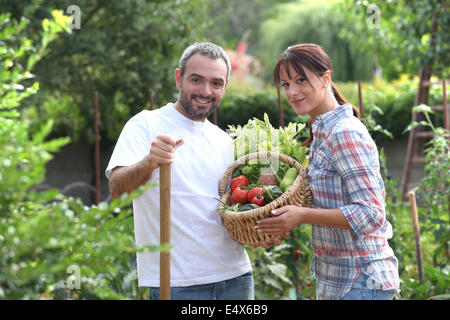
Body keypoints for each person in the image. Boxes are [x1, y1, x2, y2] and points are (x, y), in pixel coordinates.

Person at [106, 42, 253, 300]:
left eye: (216, 83)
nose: (206, 91)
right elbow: (117, 190)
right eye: (196, 80)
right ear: (178, 78)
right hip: (177, 283)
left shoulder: (225, 142)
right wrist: (149, 162)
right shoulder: (145, 124)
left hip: (236, 279)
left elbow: (233, 211)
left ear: (225, 86)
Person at [255, 43, 400, 300]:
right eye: (286, 84)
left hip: (360, 280)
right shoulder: (320, 133)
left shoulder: (344, 132)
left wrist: (302, 215)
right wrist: (276, 209)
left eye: (301, 80)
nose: (293, 91)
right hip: (340, 281)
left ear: (325, 79)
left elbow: (371, 214)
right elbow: (325, 199)